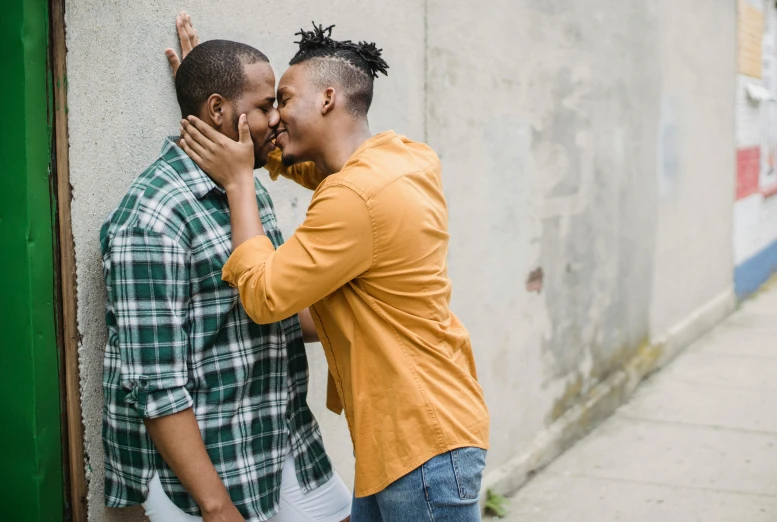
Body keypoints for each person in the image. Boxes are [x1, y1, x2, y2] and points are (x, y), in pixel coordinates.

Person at [178, 22, 491, 522]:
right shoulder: (397, 160)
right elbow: (295, 161)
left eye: (283, 99)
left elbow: (264, 296)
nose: (275, 116)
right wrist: (216, 105)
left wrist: (239, 182)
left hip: (421, 447)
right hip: (409, 442)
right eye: (267, 107)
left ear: (327, 98)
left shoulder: (355, 198)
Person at [101, 21, 352, 522]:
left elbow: (277, 306)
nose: (278, 120)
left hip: (279, 439)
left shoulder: (244, 186)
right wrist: (215, 507)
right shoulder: (151, 220)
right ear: (218, 110)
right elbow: (156, 383)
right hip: (201, 474)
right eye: (265, 106)